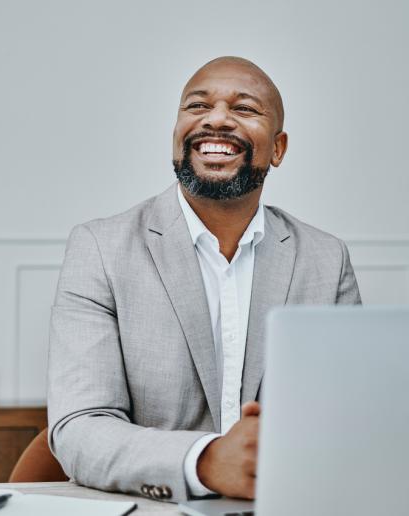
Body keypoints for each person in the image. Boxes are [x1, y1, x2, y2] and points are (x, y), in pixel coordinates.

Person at [47, 56, 361, 503]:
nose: (216, 119)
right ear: (177, 136)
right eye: (196, 106)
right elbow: (79, 429)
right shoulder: (100, 248)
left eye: (245, 109)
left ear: (278, 148)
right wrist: (206, 460)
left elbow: (351, 418)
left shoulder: (326, 260)